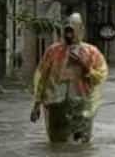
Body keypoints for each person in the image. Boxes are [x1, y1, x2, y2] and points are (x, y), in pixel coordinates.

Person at [29, 13, 108, 144]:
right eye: (66, 31)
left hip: (82, 106)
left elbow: (100, 77)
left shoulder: (92, 52)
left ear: (80, 30)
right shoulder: (52, 51)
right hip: (55, 105)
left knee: (81, 145)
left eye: (72, 31)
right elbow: (41, 78)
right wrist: (36, 105)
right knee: (57, 144)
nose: (69, 34)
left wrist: (84, 66)